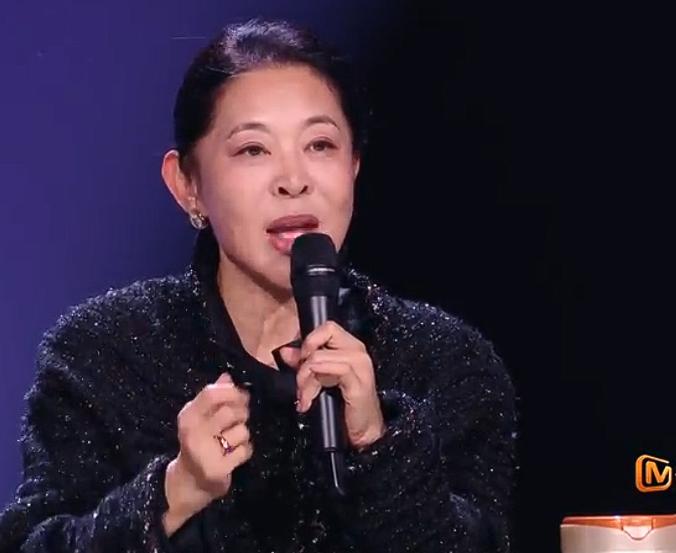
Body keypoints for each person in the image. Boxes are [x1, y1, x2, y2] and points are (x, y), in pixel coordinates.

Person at [0, 18, 517, 553]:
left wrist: (377, 445)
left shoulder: (442, 362)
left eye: (320, 145)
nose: (293, 180)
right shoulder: (104, 357)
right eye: (253, 150)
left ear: (354, 166)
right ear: (187, 185)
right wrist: (174, 493)